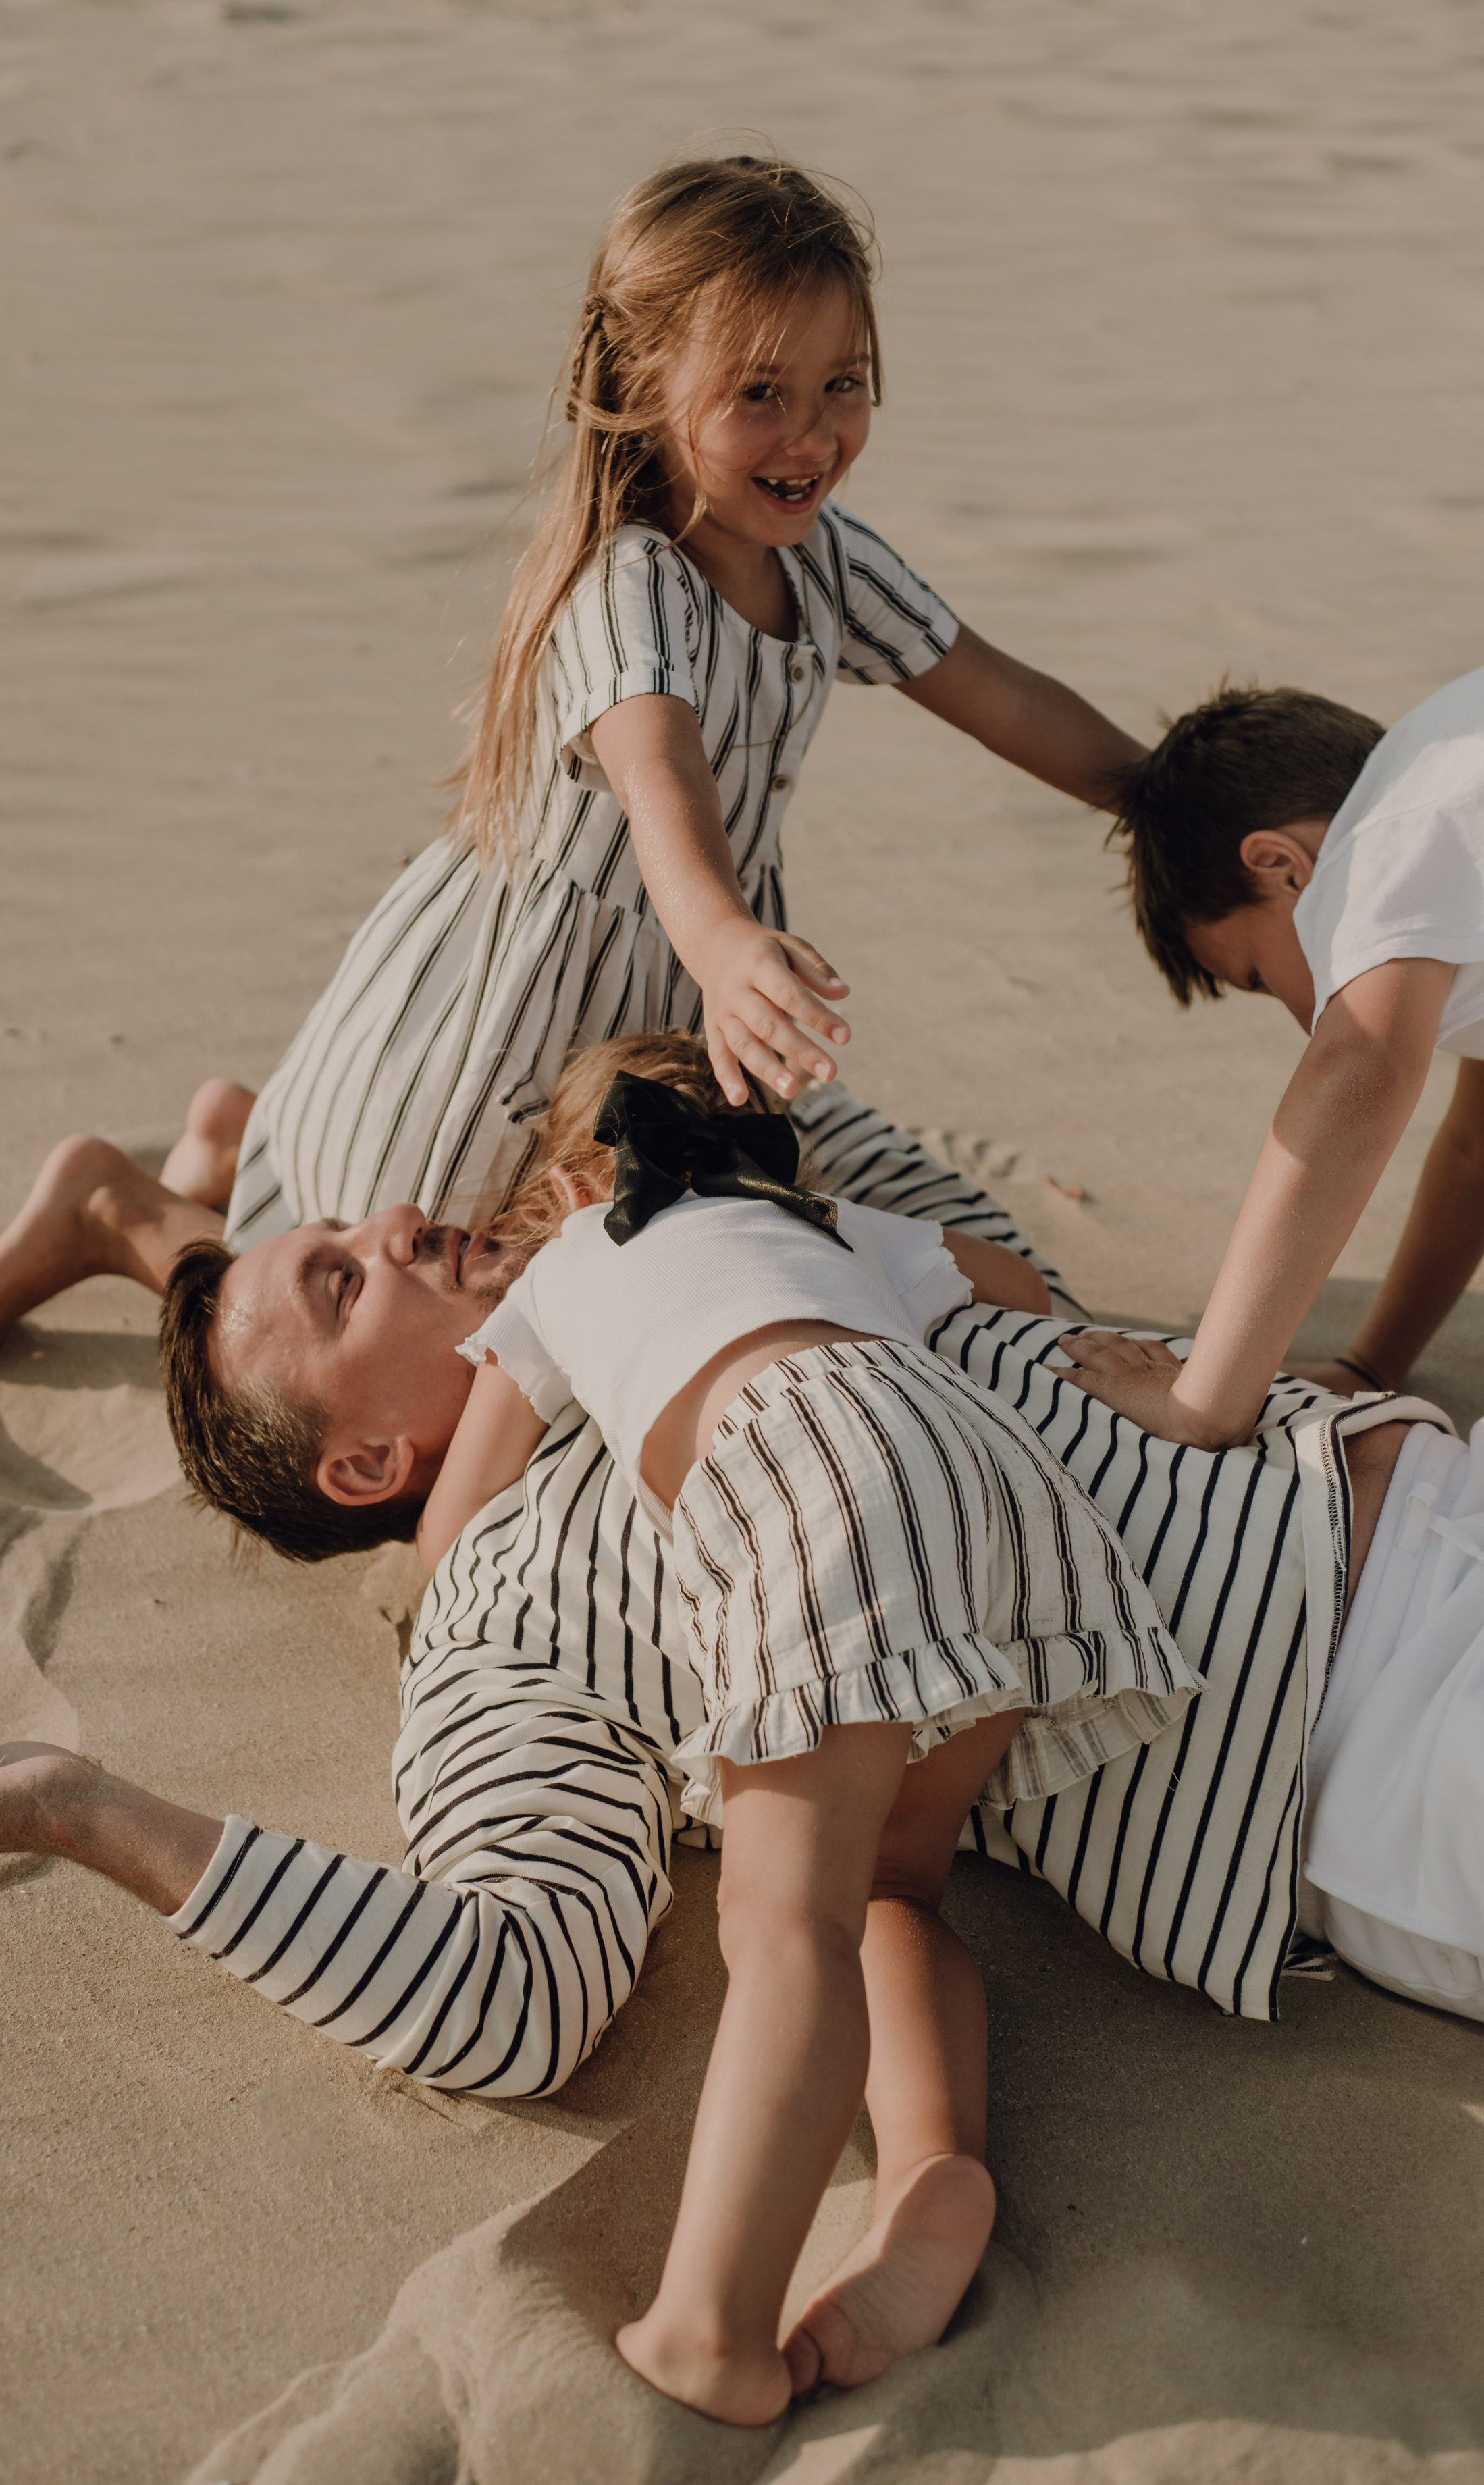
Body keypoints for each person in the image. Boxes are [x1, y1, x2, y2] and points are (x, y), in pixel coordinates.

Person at [0, 1045, 1480, 2409]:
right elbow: (505, 1989)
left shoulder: (701, 1231)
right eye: (345, 1276)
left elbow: (904, 1191)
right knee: (851, 1916)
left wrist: (671, 1079)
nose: (410, 1219)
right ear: (363, 1466)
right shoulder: (491, 1615)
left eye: (366, 1220)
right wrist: (93, 1815)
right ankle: (911, 2184)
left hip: (1398, 1474)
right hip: (1357, 1730)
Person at [398, 1051, 1197, 2423]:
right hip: (988, 1471)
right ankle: (929, 2166)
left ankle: (710, 2327)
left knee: (785, 1926)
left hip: (802, 1472)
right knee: (888, 1886)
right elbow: (1018, 1289)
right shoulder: (830, 1227)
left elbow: (449, 1530)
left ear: (578, 1182)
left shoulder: (564, 1265)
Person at [168, 149, 1146, 1263]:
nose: (813, 435)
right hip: (509, 1034)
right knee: (436, 1289)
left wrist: (1157, 795)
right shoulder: (632, 581)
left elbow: (998, 691)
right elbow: (659, 771)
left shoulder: (821, 559)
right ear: (643, 387)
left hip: (663, 1012)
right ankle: (124, 1213)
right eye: (758, 394)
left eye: (845, 381)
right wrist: (727, 943)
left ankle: (237, 1130)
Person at [1060, 666, 1484, 1441]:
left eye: (1256, 976)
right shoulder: (1451, 826)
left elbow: (1358, 1063)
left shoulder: (1385, 840)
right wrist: (1371, 1365)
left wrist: (1204, 1402)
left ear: (1281, 867)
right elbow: (1475, 1154)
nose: (1302, 1018)